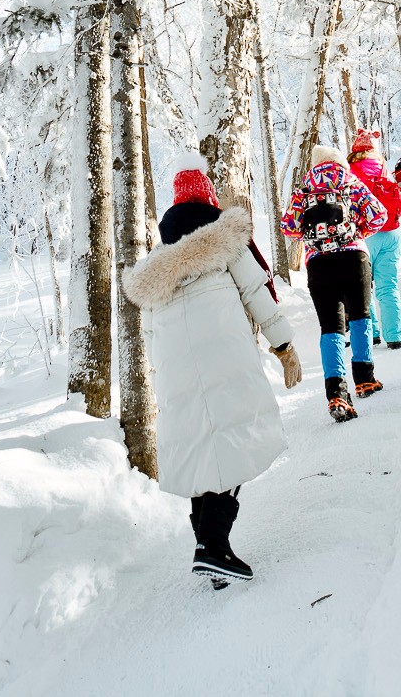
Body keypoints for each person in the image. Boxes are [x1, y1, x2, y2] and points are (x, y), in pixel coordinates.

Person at [125, 156, 303, 586]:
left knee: (202, 454)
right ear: (208, 198)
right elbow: (256, 291)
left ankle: (211, 552)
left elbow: (149, 336)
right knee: (234, 445)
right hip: (226, 358)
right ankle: (212, 546)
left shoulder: (156, 264)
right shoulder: (226, 240)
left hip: (178, 374)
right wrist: (284, 346)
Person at [278, 143, 387, 421]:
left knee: (331, 328)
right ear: (340, 162)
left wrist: (313, 239)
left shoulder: (304, 189)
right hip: (354, 258)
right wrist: (359, 231)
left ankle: (337, 394)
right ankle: (365, 378)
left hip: (319, 264)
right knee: (361, 317)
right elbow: (379, 215)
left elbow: (288, 226)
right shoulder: (351, 181)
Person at [347, 129, 401, 349]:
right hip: (391, 233)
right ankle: (395, 336)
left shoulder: (351, 171)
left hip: (365, 236)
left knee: (363, 287)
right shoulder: (383, 170)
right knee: (388, 286)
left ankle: (371, 333)